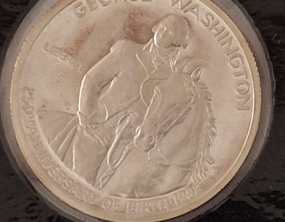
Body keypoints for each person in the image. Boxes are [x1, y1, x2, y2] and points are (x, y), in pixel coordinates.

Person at [65, 14, 191, 186]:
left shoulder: (174, 76)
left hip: (133, 143)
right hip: (98, 128)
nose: (162, 33)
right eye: (162, 27)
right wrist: (86, 117)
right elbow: (92, 79)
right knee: (80, 183)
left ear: (177, 41)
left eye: (169, 31)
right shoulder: (126, 50)